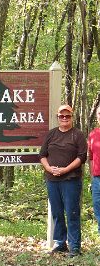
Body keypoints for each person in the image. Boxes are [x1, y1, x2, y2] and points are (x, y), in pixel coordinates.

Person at [39, 105, 87, 257]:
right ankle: (60, 243)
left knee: (72, 211)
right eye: (62, 116)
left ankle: (74, 246)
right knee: (57, 212)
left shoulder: (77, 135)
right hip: (52, 180)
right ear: (58, 117)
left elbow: (82, 157)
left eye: (67, 116)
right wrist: (48, 168)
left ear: (72, 117)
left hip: (71, 179)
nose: (64, 118)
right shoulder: (51, 134)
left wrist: (65, 169)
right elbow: (42, 155)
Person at [88, 105, 100, 233]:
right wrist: (92, 177)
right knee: (98, 211)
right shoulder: (93, 134)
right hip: (97, 180)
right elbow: (90, 158)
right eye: (99, 113)